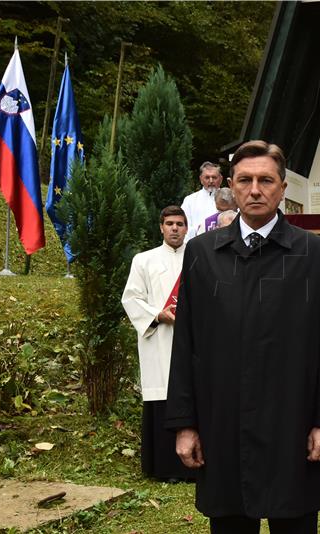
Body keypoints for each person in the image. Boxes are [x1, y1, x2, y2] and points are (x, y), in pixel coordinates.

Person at [166, 140, 320, 534]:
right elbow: (186, 345)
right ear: (230, 186)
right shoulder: (202, 253)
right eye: (245, 180)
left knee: (294, 522)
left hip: (293, 424)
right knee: (230, 521)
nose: (255, 189)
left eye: (266, 180)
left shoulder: (314, 255)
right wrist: (185, 423)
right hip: (223, 423)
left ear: (283, 189)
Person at [121, 205, 196, 483]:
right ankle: (164, 467)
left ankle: (196, 465)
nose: (175, 228)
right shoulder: (144, 260)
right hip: (159, 338)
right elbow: (131, 298)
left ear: (187, 227)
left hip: (194, 339)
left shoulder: (199, 256)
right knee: (162, 395)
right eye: (169, 224)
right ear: (161, 227)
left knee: (194, 395)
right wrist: (158, 315)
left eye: (179, 223)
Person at [181, 161, 223, 241]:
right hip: (198, 244)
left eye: (214, 177)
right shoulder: (190, 200)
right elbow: (183, 226)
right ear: (201, 179)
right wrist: (200, 229)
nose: (211, 181)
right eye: (207, 177)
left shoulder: (230, 198)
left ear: (221, 179)